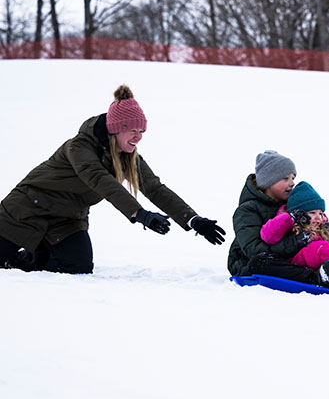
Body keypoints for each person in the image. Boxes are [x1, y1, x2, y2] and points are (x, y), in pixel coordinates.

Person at [0, 84, 226, 274]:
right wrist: (139, 214)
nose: (138, 137)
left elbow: (154, 188)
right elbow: (99, 179)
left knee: (79, 266)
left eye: (142, 132)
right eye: (133, 131)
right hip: (27, 208)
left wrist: (192, 219)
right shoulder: (79, 147)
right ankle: (21, 252)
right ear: (116, 130)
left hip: (67, 219)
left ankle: (34, 256)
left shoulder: (127, 157)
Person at [227, 150, 329, 287]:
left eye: (293, 178)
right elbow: (254, 250)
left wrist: (328, 231)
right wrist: (295, 242)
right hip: (248, 264)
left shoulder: (289, 207)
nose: (292, 183)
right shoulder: (247, 211)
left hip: (287, 260)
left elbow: (310, 225)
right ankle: (314, 279)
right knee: (260, 262)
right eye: (285, 179)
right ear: (268, 182)